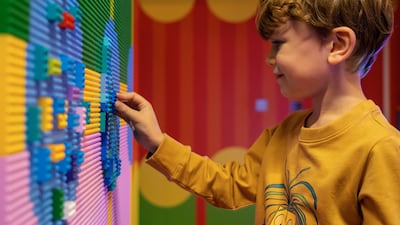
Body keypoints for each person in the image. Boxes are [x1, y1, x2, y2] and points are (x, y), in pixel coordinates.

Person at [115, 0, 400, 224]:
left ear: (337, 45)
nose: (269, 58)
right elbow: (227, 186)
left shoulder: (381, 148)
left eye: (279, 44)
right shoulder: (285, 132)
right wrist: (157, 142)